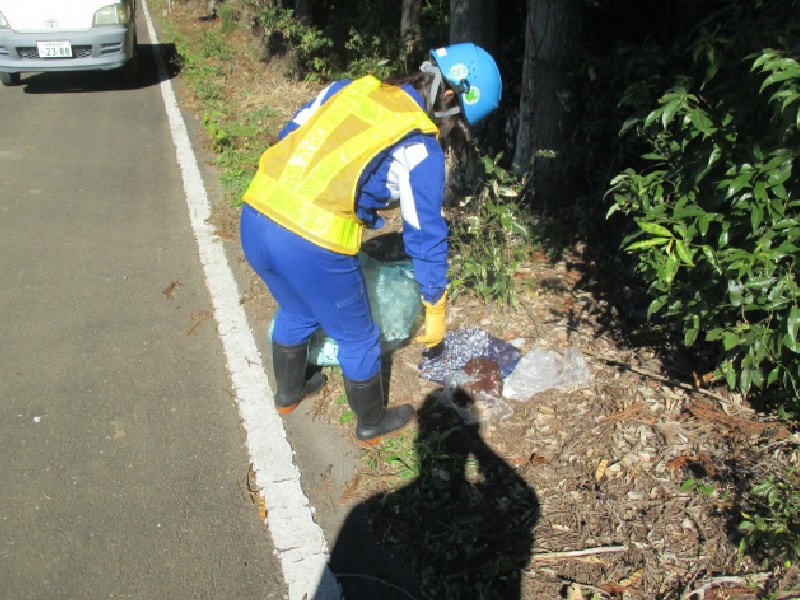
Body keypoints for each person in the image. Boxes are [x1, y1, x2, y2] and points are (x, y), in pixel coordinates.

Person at [240, 43, 503, 444]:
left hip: (256, 211)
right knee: (359, 337)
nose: (452, 130)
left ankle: (289, 393)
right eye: (458, 121)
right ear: (450, 95)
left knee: (297, 309)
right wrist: (435, 307)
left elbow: (290, 134)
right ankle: (371, 422)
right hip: (310, 240)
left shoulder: (351, 88)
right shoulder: (420, 147)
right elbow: (426, 236)